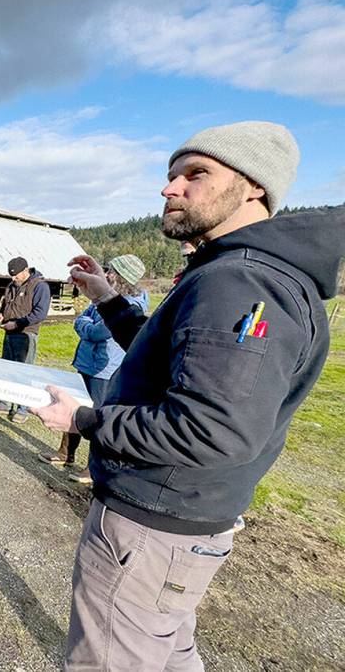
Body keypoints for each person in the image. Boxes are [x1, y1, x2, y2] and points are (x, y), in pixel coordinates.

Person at [32, 121, 345, 670]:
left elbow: (212, 430)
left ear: (255, 186)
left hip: (152, 524)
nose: (170, 187)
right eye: (171, 174)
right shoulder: (243, 271)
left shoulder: (240, 282)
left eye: (195, 174)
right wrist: (108, 299)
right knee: (169, 650)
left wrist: (84, 419)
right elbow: (175, 361)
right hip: (182, 520)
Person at [39, 254, 149, 484]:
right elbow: (82, 320)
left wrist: (86, 325)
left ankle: (92, 468)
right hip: (87, 364)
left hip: (104, 370)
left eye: (112, 272)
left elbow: (98, 332)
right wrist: (86, 324)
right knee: (74, 405)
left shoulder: (131, 305)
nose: (107, 274)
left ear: (123, 278)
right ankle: (65, 453)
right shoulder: (104, 299)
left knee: (98, 416)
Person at [0, 256, 51, 423]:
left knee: (24, 372)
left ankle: (22, 408)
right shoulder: (11, 285)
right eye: (11, 275)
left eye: (16, 275)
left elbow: (40, 313)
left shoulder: (40, 286)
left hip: (26, 333)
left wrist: (17, 323)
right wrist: (1, 314)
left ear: (25, 271)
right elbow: (6, 303)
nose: (13, 278)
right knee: (6, 369)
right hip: (9, 332)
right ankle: (4, 402)